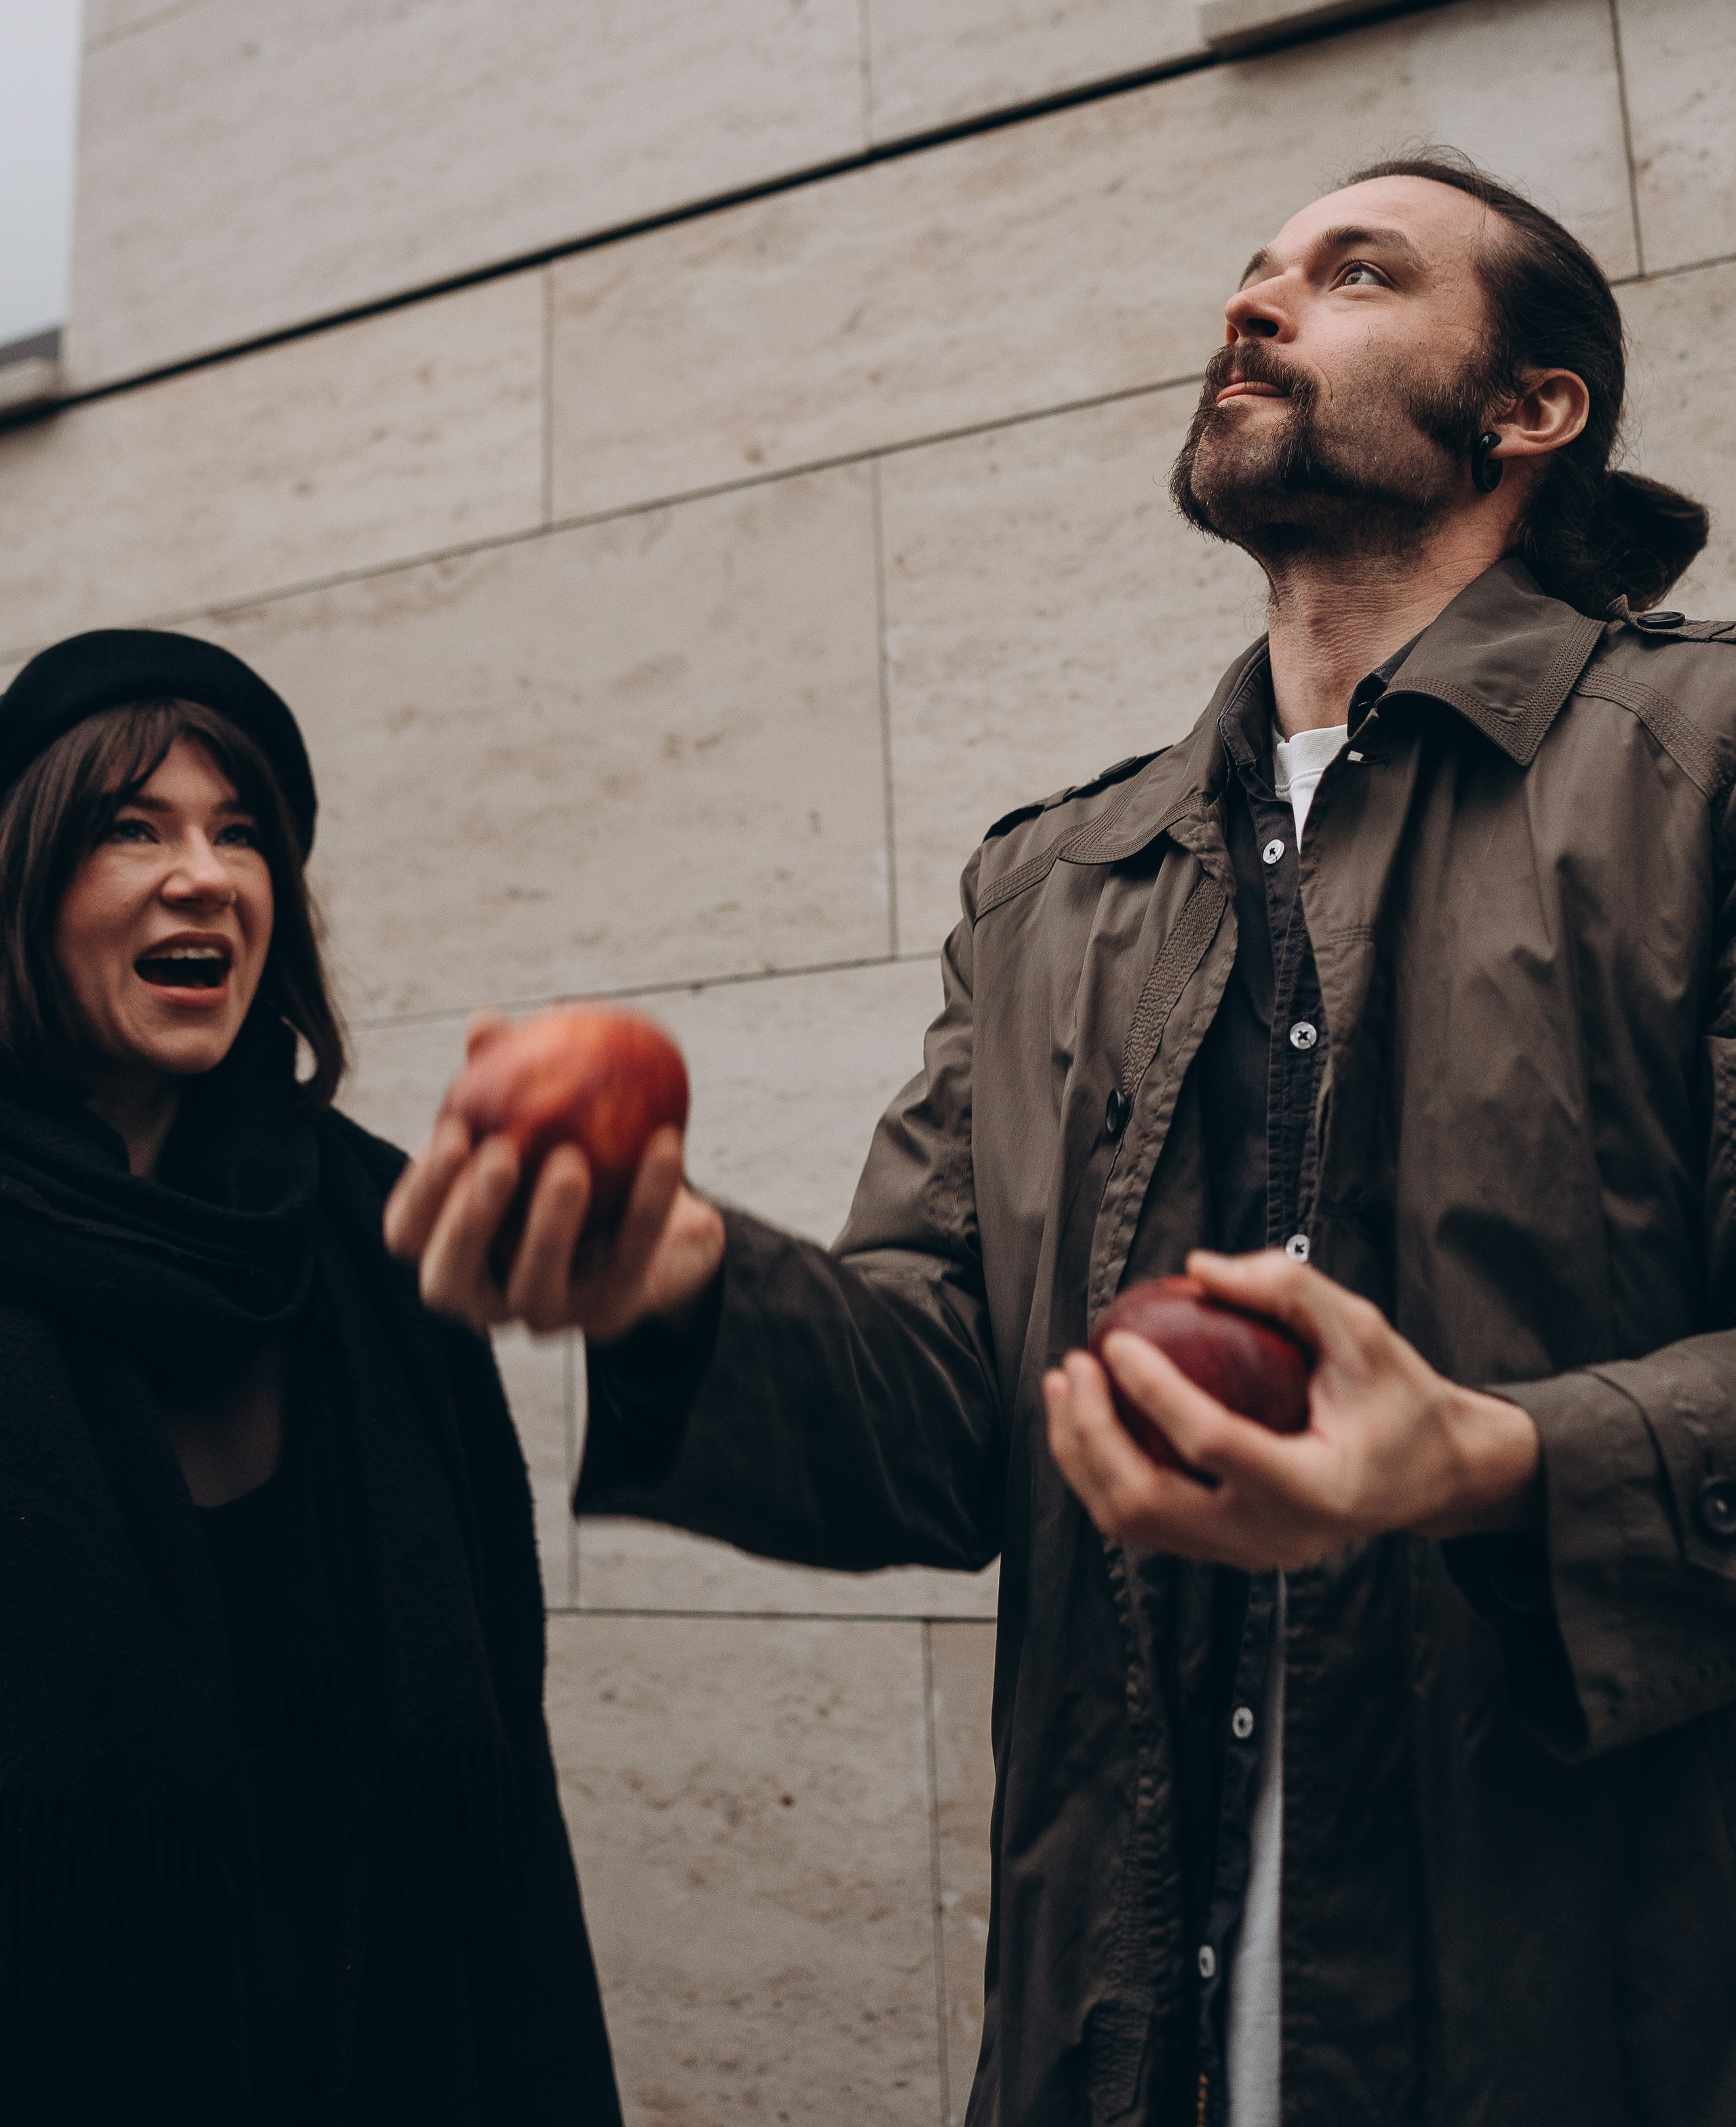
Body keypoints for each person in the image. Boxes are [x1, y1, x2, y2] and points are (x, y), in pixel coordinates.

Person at [386, 153, 1736, 2127]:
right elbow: (953, 1413)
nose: (1255, 306)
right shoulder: (1058, 883)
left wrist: (1494, 1462)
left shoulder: (1703, 775)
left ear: (1534, 411)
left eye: (1354, 274)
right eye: (1250, 273)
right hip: (1121, 2041)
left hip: (1607, 2029)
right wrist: (687, 1280)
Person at [0, 630, 620, 2127]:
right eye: (128, 827)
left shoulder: (378, 1236)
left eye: (240, 833)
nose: (204, 874)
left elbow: (498, 1789)